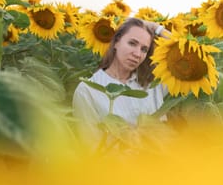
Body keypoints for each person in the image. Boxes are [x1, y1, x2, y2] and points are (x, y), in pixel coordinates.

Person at [72, 17, 169, 145]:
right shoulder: (88, 90)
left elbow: (184, 52)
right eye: (132, 43)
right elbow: (91, 146)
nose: (137, 54)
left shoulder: (154, 84)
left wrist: (156, 27)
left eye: (144, 49)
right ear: (116, 42)